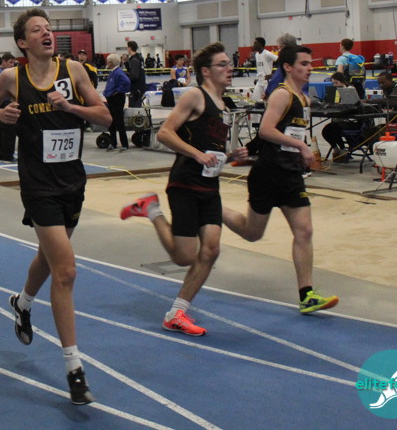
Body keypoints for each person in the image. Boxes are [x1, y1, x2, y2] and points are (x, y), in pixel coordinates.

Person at [0, 8, 111, 406]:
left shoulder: (74, 71)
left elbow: (104, 117)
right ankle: (74, 368)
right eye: (37, 30)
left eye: (48, 28)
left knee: (48, 257)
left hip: (72, 182)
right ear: (23, 42)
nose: (46, 33)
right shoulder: (11, 78)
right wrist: (0, 113)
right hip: (38, 186)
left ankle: (22, 303)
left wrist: (71, 108)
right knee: (65, 270)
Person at [121, 43, 248, 336]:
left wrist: (233, 156)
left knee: (211, 249)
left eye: (229, 63)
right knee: (184, 257)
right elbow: (165, 133)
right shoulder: (195, 96)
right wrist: (196, 154)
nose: (229, 69)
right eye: (222, 64)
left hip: (210, 185)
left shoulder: (224, 105)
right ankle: (152, 210)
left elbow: (212, 148)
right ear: (206, 71)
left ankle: (176, 313)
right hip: (186, 183)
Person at [222, 45, 339, 314]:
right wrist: (300, 146)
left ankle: (307, 295)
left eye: (310, 63)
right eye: (304, 64)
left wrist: (302, 150)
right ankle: (211, 206)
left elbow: (290, 133)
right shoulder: (282, 94)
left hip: (291, 175)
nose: (310, 68)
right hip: (268, 174)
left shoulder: (304, 98)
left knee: (304, 230)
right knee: (252, 234)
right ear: (288, 67)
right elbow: (266, 130)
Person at [319, 73, 360, 162]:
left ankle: (342, 150)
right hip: (339, 120)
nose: (334, 85)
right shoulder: (335, 91)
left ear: (342, 81)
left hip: (350, 121)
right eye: (333, 83)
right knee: (326, 131)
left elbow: (352, 105)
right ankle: (336, 149)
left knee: (333, 129)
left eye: (336, 83)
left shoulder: (350, 89)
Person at [101, 53, 130, 151]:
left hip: (116, 99)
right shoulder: (114, 72)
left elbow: (126, 82)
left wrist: (118, 91)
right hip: (112, 99)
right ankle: (113, 143)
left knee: (119, 121)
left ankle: (124, 144)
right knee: (112, 121)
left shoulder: (118, 72)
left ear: (111, 62)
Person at [0, 53, 17, 162]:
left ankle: (2, 155)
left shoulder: (0, 72)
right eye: (10, 62)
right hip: (5, 103)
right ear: (4, 61)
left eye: (13, 63)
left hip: (3, 102)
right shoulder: (3, 74)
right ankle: (7, 155)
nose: (12, 65)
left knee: (2, 130)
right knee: (9, 130)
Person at [263, 33, 299, 100]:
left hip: (287, 99)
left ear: (284, 47)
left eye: (279, 48)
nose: (279, 50)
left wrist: (267, 93)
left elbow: (276, 82)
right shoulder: (300, 60)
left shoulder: (285, 62)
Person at [251, 37, 278, 102]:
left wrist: (273, 74)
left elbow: (281, 61)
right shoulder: (257, 55)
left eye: (255, 43)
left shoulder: (267, 53)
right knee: (254, 100)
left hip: (267, 81)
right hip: (259, 81)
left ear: (260, 44)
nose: (253, 45)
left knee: (269, 101)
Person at [126, 41, 146, 107]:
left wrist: (126, 78)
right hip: (141, 86)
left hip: (136, 88)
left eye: (127, 47)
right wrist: (126, 63)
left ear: (130, 48)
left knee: (133, 108)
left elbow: (134, 76)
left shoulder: (134, 60)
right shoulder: (139, 58)